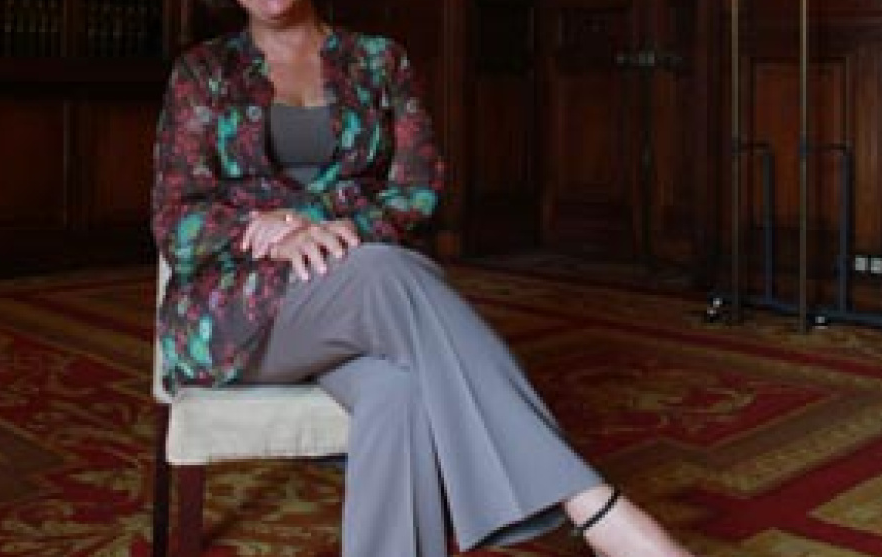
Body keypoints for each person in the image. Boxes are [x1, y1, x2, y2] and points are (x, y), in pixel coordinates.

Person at [152, 0, 699, 556]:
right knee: (385, 272)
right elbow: (175, 220)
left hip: (359, 294)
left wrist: (329, 227)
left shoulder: (379, 60)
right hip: (241, 315)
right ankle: (594, 508)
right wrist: (269, 229)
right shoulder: (203, 72)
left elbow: (417, 189)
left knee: (399, 388)